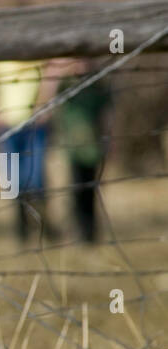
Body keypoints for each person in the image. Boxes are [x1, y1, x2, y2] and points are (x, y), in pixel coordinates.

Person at [0, 58, 60, 240]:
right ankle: (22, 230)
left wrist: (46, 105)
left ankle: (44, 226)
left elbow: (54, 70)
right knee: (14, 179)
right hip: (7, 125)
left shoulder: (35, 52)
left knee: (35, 174)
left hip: (35, 124)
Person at [48, 57, 113, 244]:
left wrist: (110, 139)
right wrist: (56, 70)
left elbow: (107, 113)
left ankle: (90, 233)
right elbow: (50, 101)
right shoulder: (66, 84)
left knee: (91, 191)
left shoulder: (97, 83)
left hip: (93, 146)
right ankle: (76, 231)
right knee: (74, 189)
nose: (82, 65)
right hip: (71, 147)